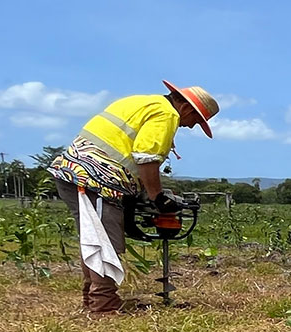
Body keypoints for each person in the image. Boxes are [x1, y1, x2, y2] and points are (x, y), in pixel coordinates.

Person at [47, 81, 218, 314]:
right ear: (188, 109)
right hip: (96, 178)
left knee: (93, 238)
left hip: (73, 173)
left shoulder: (140, 102)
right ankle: (103, 308)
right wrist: (157, 196)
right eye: (196, 121)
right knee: (105, 242)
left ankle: (93, 302)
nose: (190, 127)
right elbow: (147, 157)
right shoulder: (166, 114)